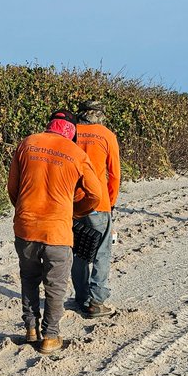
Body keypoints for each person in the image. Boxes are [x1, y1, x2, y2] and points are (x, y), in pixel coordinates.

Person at [7, 110, 103, 354]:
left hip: (26, 227)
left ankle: (30, 329)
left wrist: (24, 210)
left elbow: (13, 188)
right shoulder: (77, 153)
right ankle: (50, 336)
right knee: (56, 284)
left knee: (29, 278)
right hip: (58, 231)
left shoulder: (27, 143)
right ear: (71, 132)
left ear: (50, 126)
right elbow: (95, 194)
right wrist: (75, 211)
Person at [72, 99, 121, 317]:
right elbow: (115, 175)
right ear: (100, 114)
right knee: (101, 251)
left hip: (73, 201)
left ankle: (81, 297)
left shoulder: (70, 132)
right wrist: (110, 202)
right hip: (99, 201)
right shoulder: (107, 135)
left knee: (79, 252)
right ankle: (97, 301)